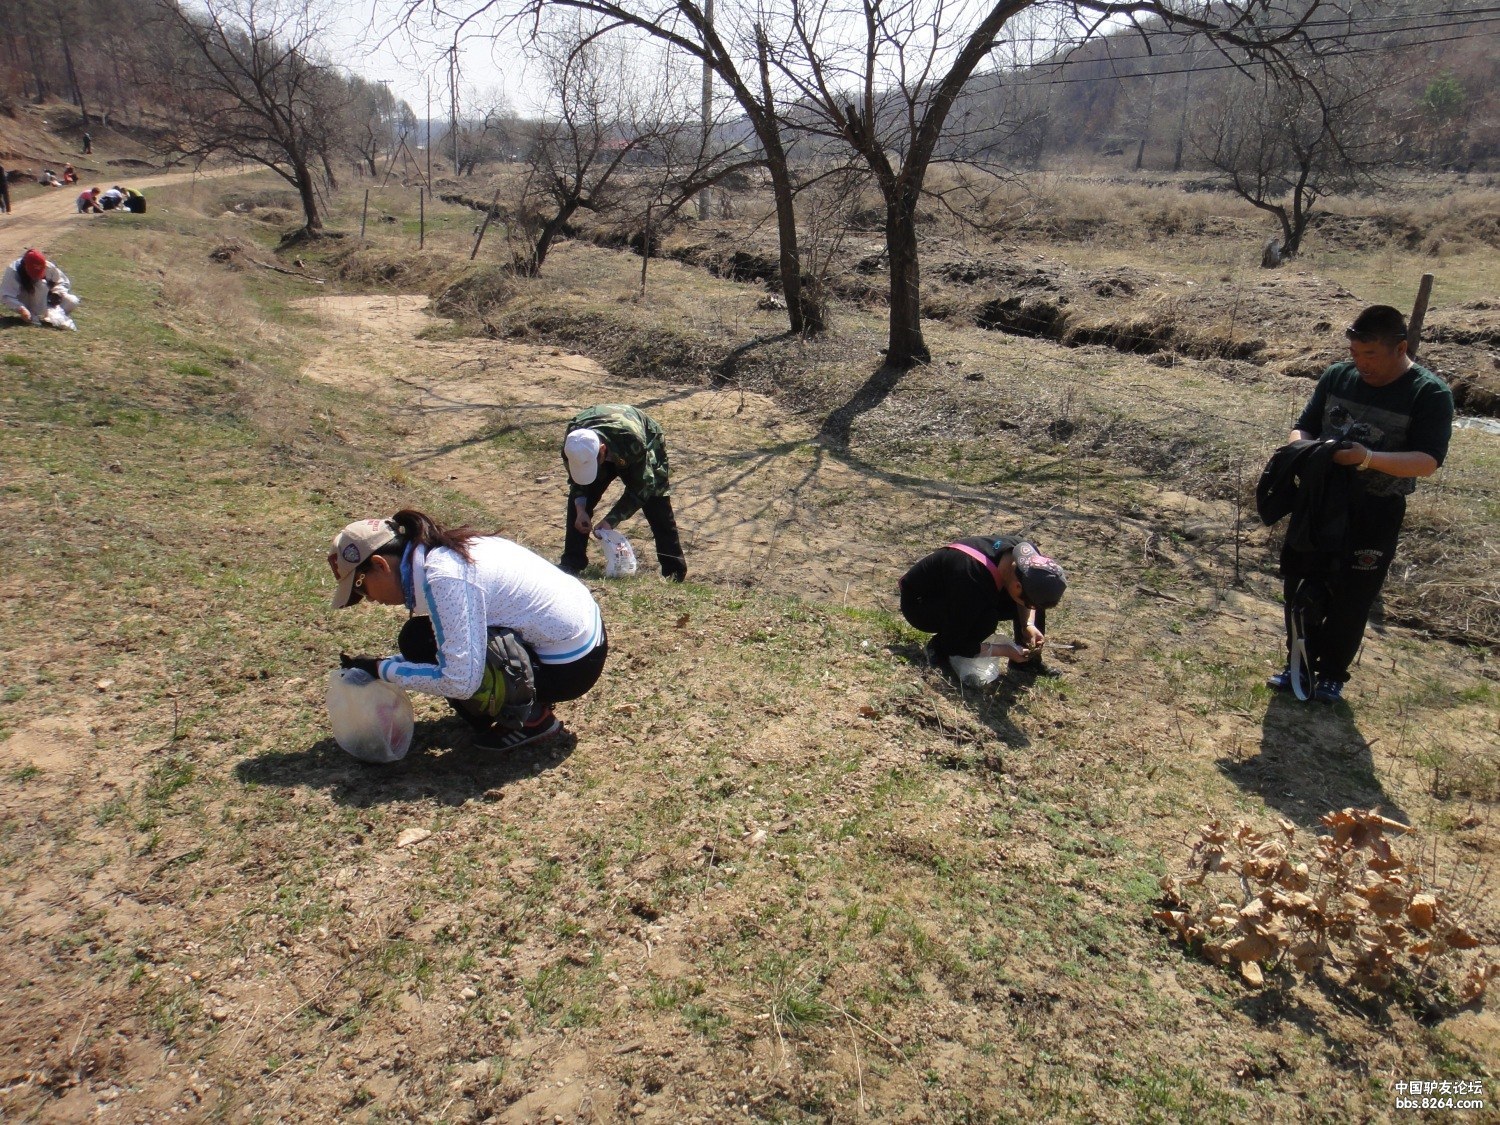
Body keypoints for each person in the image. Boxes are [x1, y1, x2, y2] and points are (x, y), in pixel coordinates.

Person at [1266, 305, 1453, 704]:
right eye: (1355, 353)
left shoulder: (1429, 393)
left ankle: (1332, 674)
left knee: (1353, 594)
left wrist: (1366, 458)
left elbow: (1428, 461)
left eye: (1370, 355)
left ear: (1401, 347)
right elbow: (1304, 425)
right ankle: (1296, 665)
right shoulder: (1337, 375)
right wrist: (1305, 448)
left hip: (1375, 510)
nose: (1360, 364)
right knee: (1300, 583)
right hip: (1319, 502)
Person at [329, 509, 608, 752]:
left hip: (571, 668)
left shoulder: (444, 578)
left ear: (380, 565)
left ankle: (533, 719)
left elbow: (460, 681)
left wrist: (382, 670)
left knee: (418, 641)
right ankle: (526, 698)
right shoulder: (445, 551)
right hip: (587, 639)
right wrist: (384, 665)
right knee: (420, 638)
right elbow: (457, 637)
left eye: (361, 587)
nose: (369, 599)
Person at [899, 536, 1067, 676]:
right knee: (985, 620)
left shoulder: (1028, 559)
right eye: (1029, 604)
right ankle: (938, 648)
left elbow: (1027, 595)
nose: (1032, 608)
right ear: (1017, 587)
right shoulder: (973, 579)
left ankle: (1027, 663)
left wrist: (1028, 625)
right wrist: (1005, 650)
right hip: (921, 604)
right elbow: (956, 643)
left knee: (1035, 602)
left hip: (962, 592)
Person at [560, 404, 687, 581]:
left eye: (593, 465)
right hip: (607, 438)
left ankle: (674, 571)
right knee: (581, 501)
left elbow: (641, 489)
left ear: (602, 450)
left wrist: (610, 521)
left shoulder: (632, 440)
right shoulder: (573, 445)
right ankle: (571, 563)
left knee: (656, 502)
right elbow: (578, 484)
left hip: (642, 436)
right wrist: (581, 510)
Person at [2, 249, 81, 326]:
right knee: (41, 284)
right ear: (25, 266)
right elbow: (6, 296)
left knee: (72, 301)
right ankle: (34, 315)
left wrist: (57, 292)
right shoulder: (13, 271)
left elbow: (64, 281)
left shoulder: (48, 267)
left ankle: (53, 316)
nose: (36, 276)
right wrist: (21, 309)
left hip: (47, 300)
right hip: (25, 300)